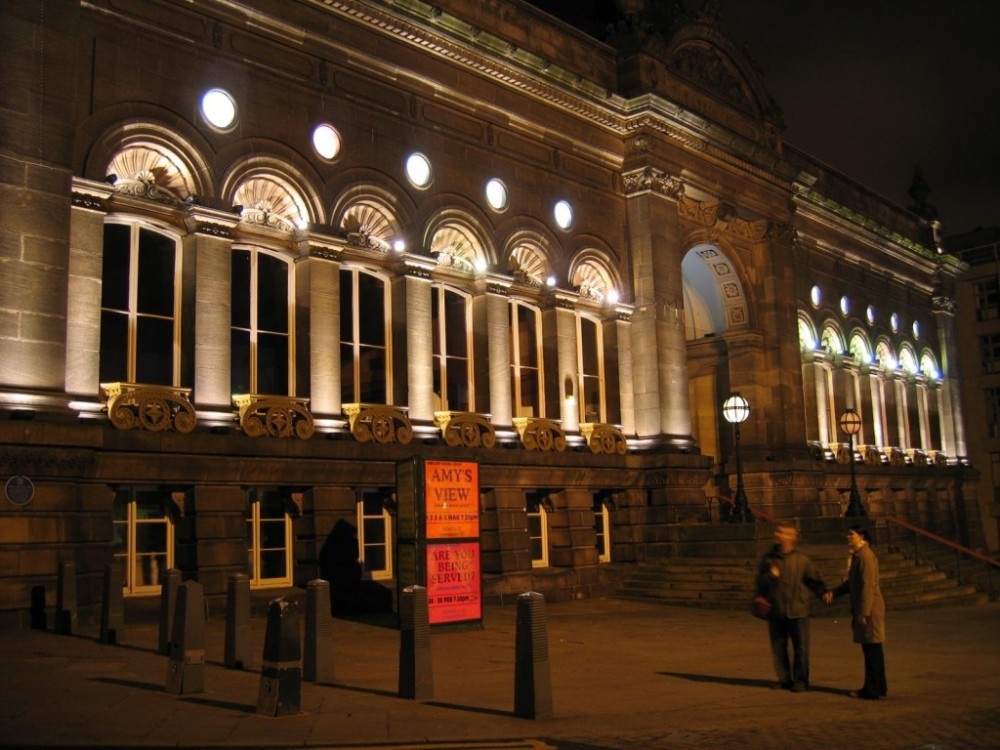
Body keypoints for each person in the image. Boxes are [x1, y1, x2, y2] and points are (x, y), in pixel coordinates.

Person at [756, 522, 829, 692]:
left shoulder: (802, 560)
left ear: (792, 537)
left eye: (783, 532)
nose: (778, 534)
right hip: (777, 609)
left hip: (798, 610)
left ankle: (801, 680)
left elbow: (813, 580)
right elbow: (760, 583)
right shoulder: (769, 559)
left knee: (801, 648)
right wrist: (770, 576)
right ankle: (784, 678)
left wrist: (824, 593)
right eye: (778, 532)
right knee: (778, 647)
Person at [825, 525, 887, 700]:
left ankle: (872, 689)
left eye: (851, 534)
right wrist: (835, 593)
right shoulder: (859, 556)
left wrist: (864, 612)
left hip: (870, 608)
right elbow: (852, 583)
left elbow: (868, 585)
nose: (848, 537)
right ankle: (879, 687)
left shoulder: (865, 557)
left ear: (861, 536)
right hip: (867, 607)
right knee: (873, 648)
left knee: (871, 649)